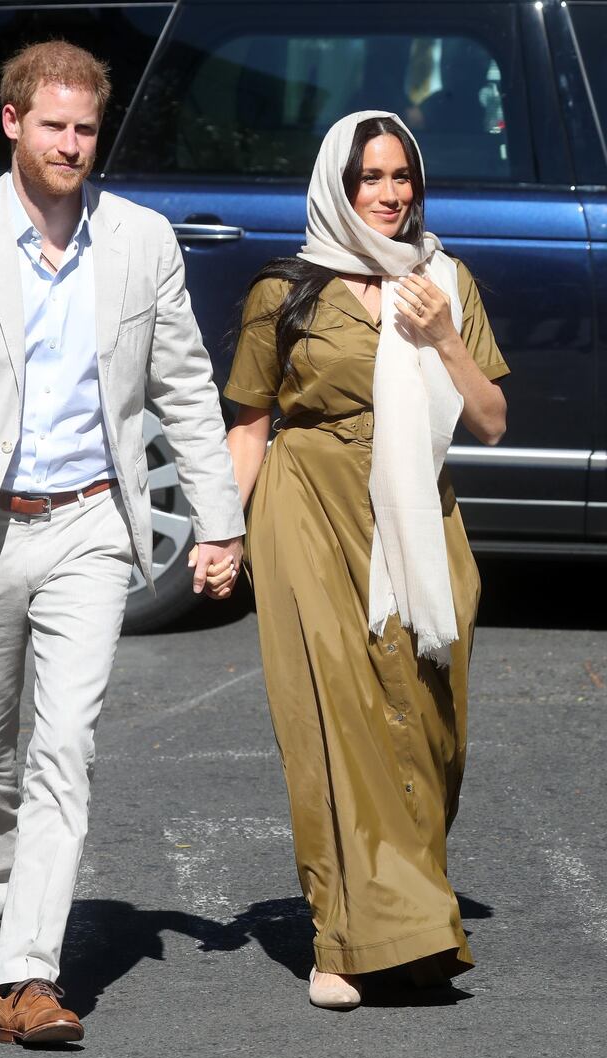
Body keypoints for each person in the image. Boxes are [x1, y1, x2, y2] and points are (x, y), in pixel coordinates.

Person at [0, 40, 244, 1045]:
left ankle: (31, 971)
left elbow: (184, 389)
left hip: (87, 523)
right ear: (12, 123)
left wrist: (220, 518)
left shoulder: (140, 241)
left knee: (63, 747)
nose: (71, 144)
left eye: (85, 129)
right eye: (53, 126)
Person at [212, 110, 508, 1009]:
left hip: (416, 510)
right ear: (337, 189)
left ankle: (410, 915)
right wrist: (222, 532)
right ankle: (341, 939)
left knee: (430, 717)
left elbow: (491, 420)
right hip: (308, 505)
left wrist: (442, 337)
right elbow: (252, 423)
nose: (389, 194)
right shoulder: (287, 289)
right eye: (369, 179)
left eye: (401, 177)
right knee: (334, 715)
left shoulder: (446, 280)